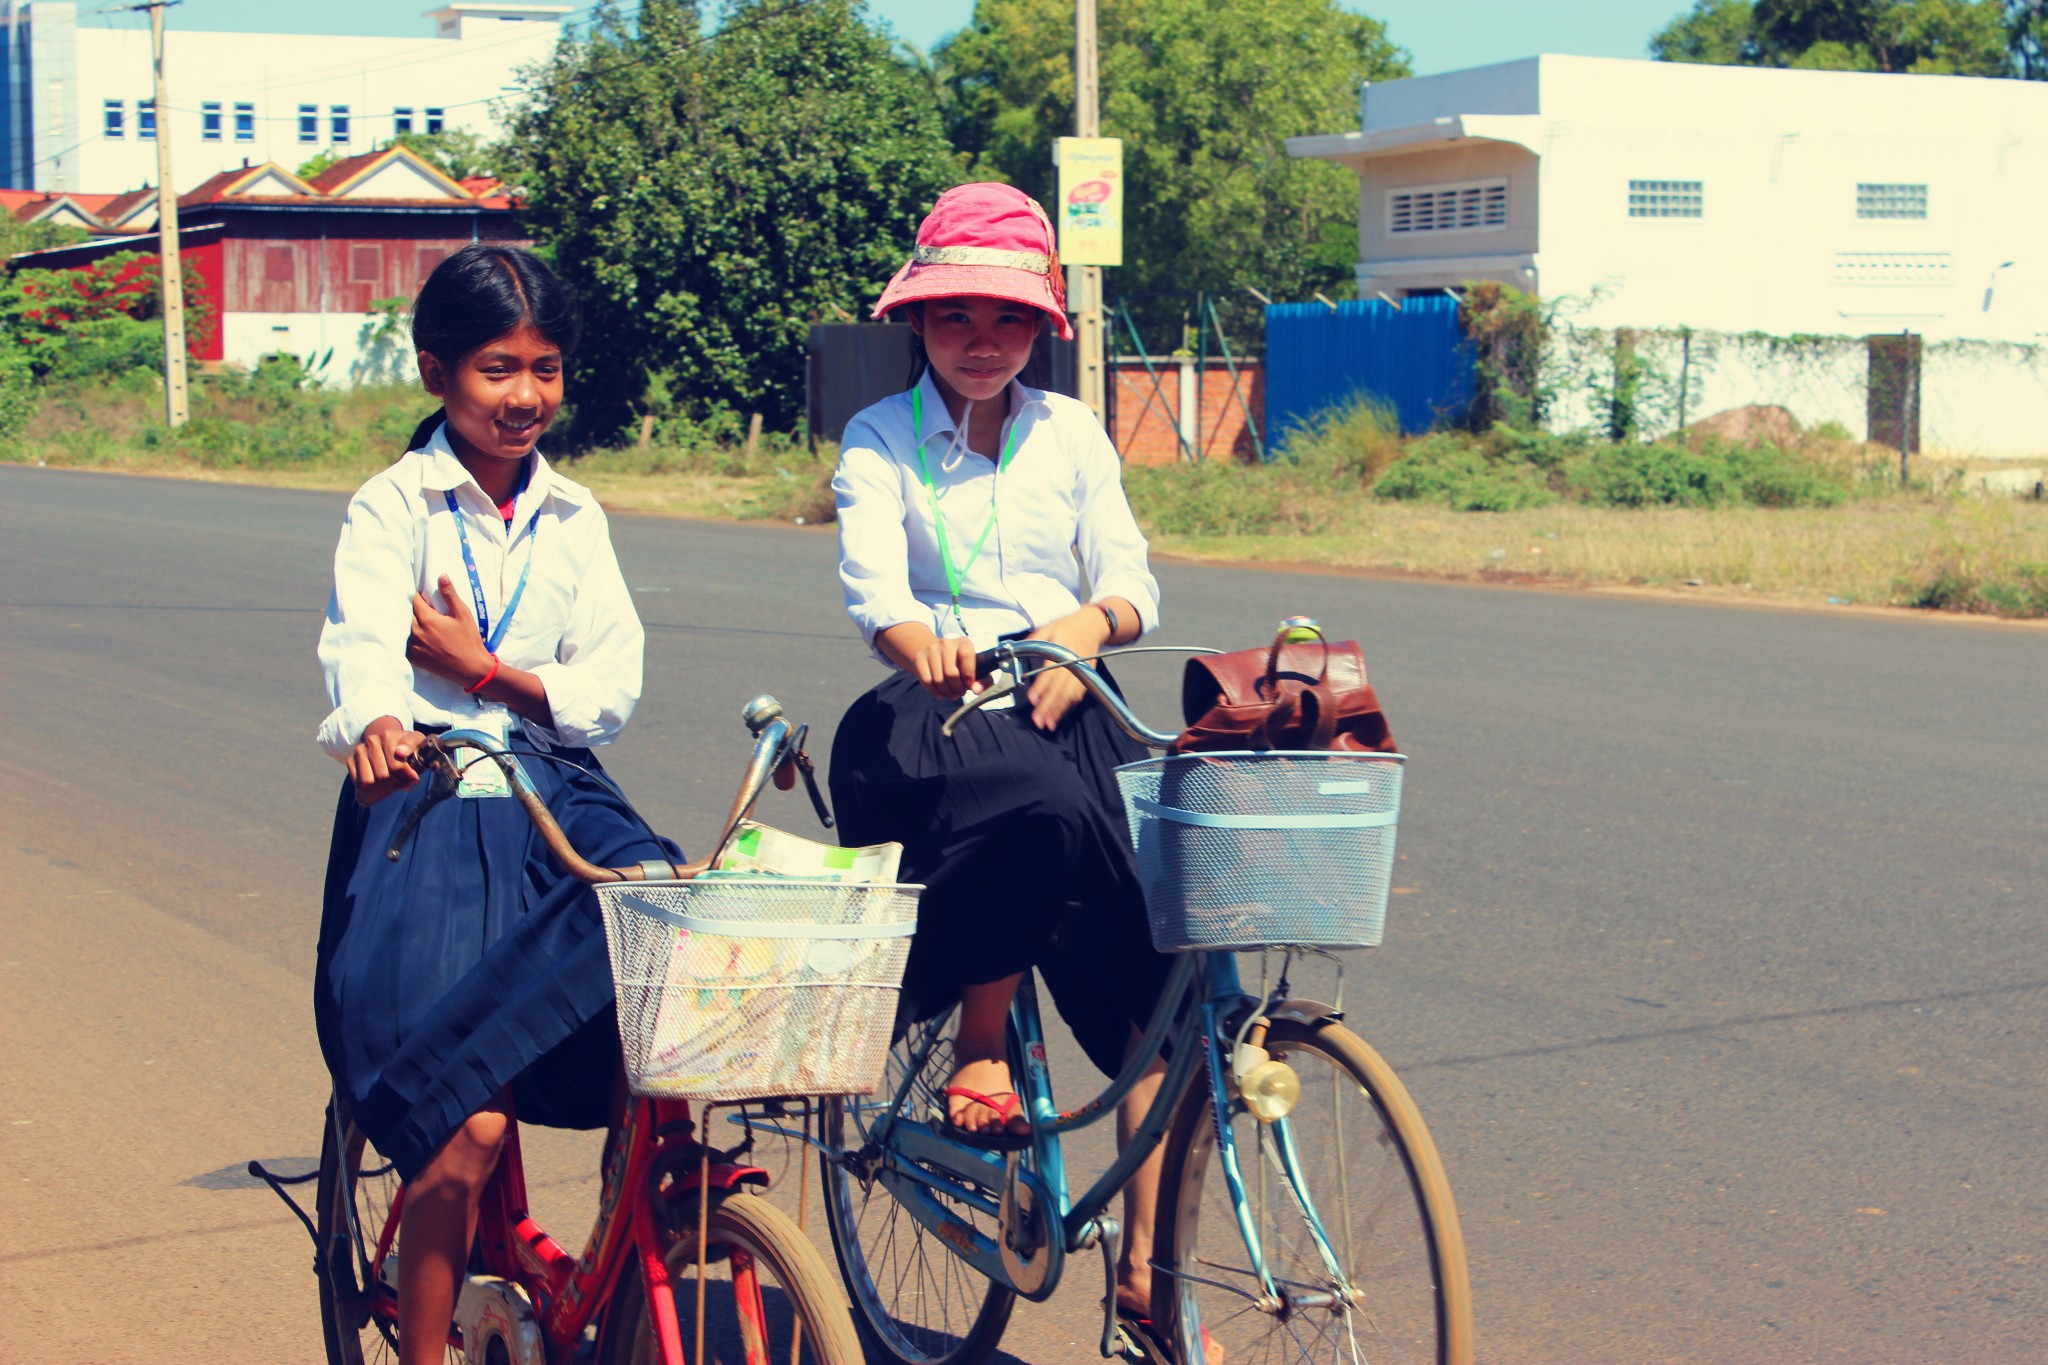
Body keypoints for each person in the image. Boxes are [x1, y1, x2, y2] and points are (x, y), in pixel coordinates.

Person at [827, 182, 1181, 1344]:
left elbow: (1128, 578)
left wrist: (1082, 638)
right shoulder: (879, 438)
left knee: (1160, 1001)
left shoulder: (1070, 435)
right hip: (925, 717)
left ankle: (1144, 1284)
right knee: (1030, 804)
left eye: (1007, 321)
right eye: (955, 319)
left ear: (1039, 331)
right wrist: (918, 641)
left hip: (1063, 698)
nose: (981, 343)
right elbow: (875, 590)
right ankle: (979, 1044)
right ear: (917, 327)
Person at [312, 243, 675, 1365]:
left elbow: (606, 687)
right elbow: (363, 649)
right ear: (436, 373)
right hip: (428, 794)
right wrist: (377, 722)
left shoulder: (575, 517)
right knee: (460, 1124)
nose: (524, 397)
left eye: (546, 369)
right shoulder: (393, 508)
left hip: (550, 783)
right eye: (495, 369)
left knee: (666, 908)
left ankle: (630, 1217)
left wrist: (486, 671)